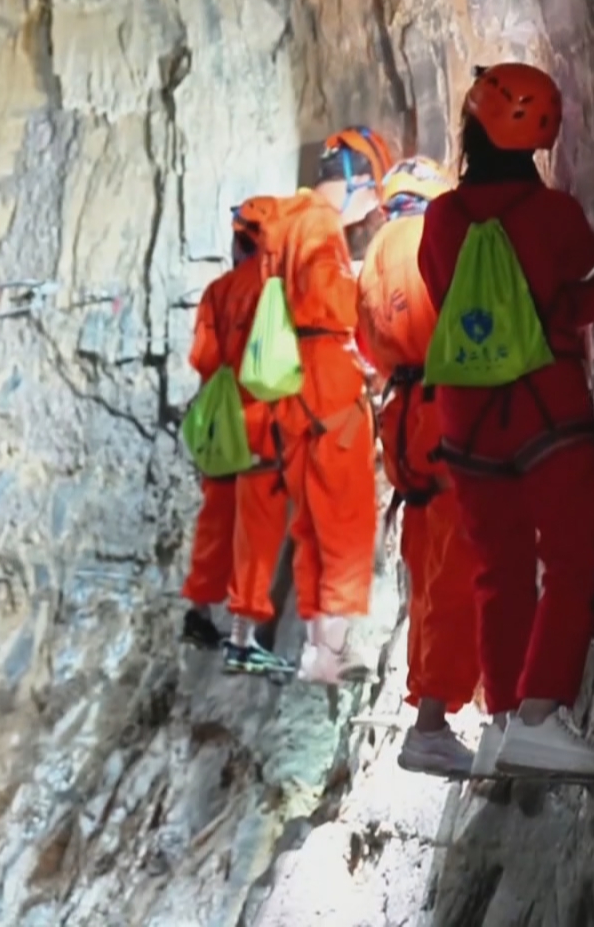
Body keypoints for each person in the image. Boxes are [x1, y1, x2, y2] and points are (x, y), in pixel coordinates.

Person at [419, 64, 594, 778]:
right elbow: (587, 302)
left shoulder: (440, 219)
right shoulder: (556, 216)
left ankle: (502, 721)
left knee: (497, 569)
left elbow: (442, 295)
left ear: (472, 124)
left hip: (466, 421)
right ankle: (541, 711)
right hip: (545, 411)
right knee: (574, 555)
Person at [233, 126, 392, 684]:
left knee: (310, 523)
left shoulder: (284, 219)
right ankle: (333, 650)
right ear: (352, 180)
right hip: (327, 383)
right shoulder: (321, 227)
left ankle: (316, 650)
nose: (372, 207)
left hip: (289, 392)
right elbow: (331, 304)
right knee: (346, 519)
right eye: (372, 193)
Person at [355, 157, 484, 776]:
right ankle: (435, 721)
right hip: (446, 410)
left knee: (429, 574)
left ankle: (432, 710)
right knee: (460, 572)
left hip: (404, 420)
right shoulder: (434, 238)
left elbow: (366, 342)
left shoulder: (377, 249)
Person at [179, 227, 295, 677]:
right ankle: (243, 641)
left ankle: (200, 614)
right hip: (260, 425)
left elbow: (204, 358)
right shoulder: (273, 289)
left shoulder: (217, 290)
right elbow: (281, 366)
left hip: (220, 422)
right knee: (258, 531)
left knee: (215, 520)